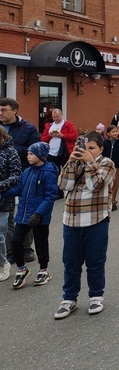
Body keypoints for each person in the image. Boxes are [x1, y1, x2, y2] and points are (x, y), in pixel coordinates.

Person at [55, 131, 115, 319]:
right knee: (70, 262)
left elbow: (96, 185)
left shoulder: (107, 164)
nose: (86, 151)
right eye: (83, 148)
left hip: (95, 220)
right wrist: (72, 161)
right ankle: (69, 299)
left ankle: (96, 296)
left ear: (101, 149)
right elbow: (63, 185)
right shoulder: (74, 162)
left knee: (95, 261)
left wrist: (89, 162)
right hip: (71, 221)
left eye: (92, 148)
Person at [4, 142, 58, 289]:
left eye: (31, 154)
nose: (28, 156)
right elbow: (20, 189)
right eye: (28, 153)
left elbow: (50, 196)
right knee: (16, 241)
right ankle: (21, 269)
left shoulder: (49, 172)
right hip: (23, 214)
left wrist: (39, 213)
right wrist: (3, 192)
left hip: (39, 216)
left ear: (41, 156)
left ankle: (43, 270)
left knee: (41, 243)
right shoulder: (27, 171)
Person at [0, 98, 41, 264]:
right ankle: (11, 249)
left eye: (4, 110)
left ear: (15, 110)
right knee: (7, 216)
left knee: (25, 211)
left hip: (25, 174)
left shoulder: (28, 128)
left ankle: (26, 248)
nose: (1, 113)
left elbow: (37, 150)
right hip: (4, 179)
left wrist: (12, 149)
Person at [0, 127, 22, 282]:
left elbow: (16, 176)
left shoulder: (10, 152)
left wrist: (0, 185)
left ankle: (3, 263)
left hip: (3, 199)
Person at [102, 125, 119, 211]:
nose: (115, 133)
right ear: (108, 133)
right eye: (113, 132)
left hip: (116, 166)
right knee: (106, 184)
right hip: (105, 166)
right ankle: (106, 201)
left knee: (115, 184)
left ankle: (113, 201)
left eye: (116, 131)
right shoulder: (105, 143)